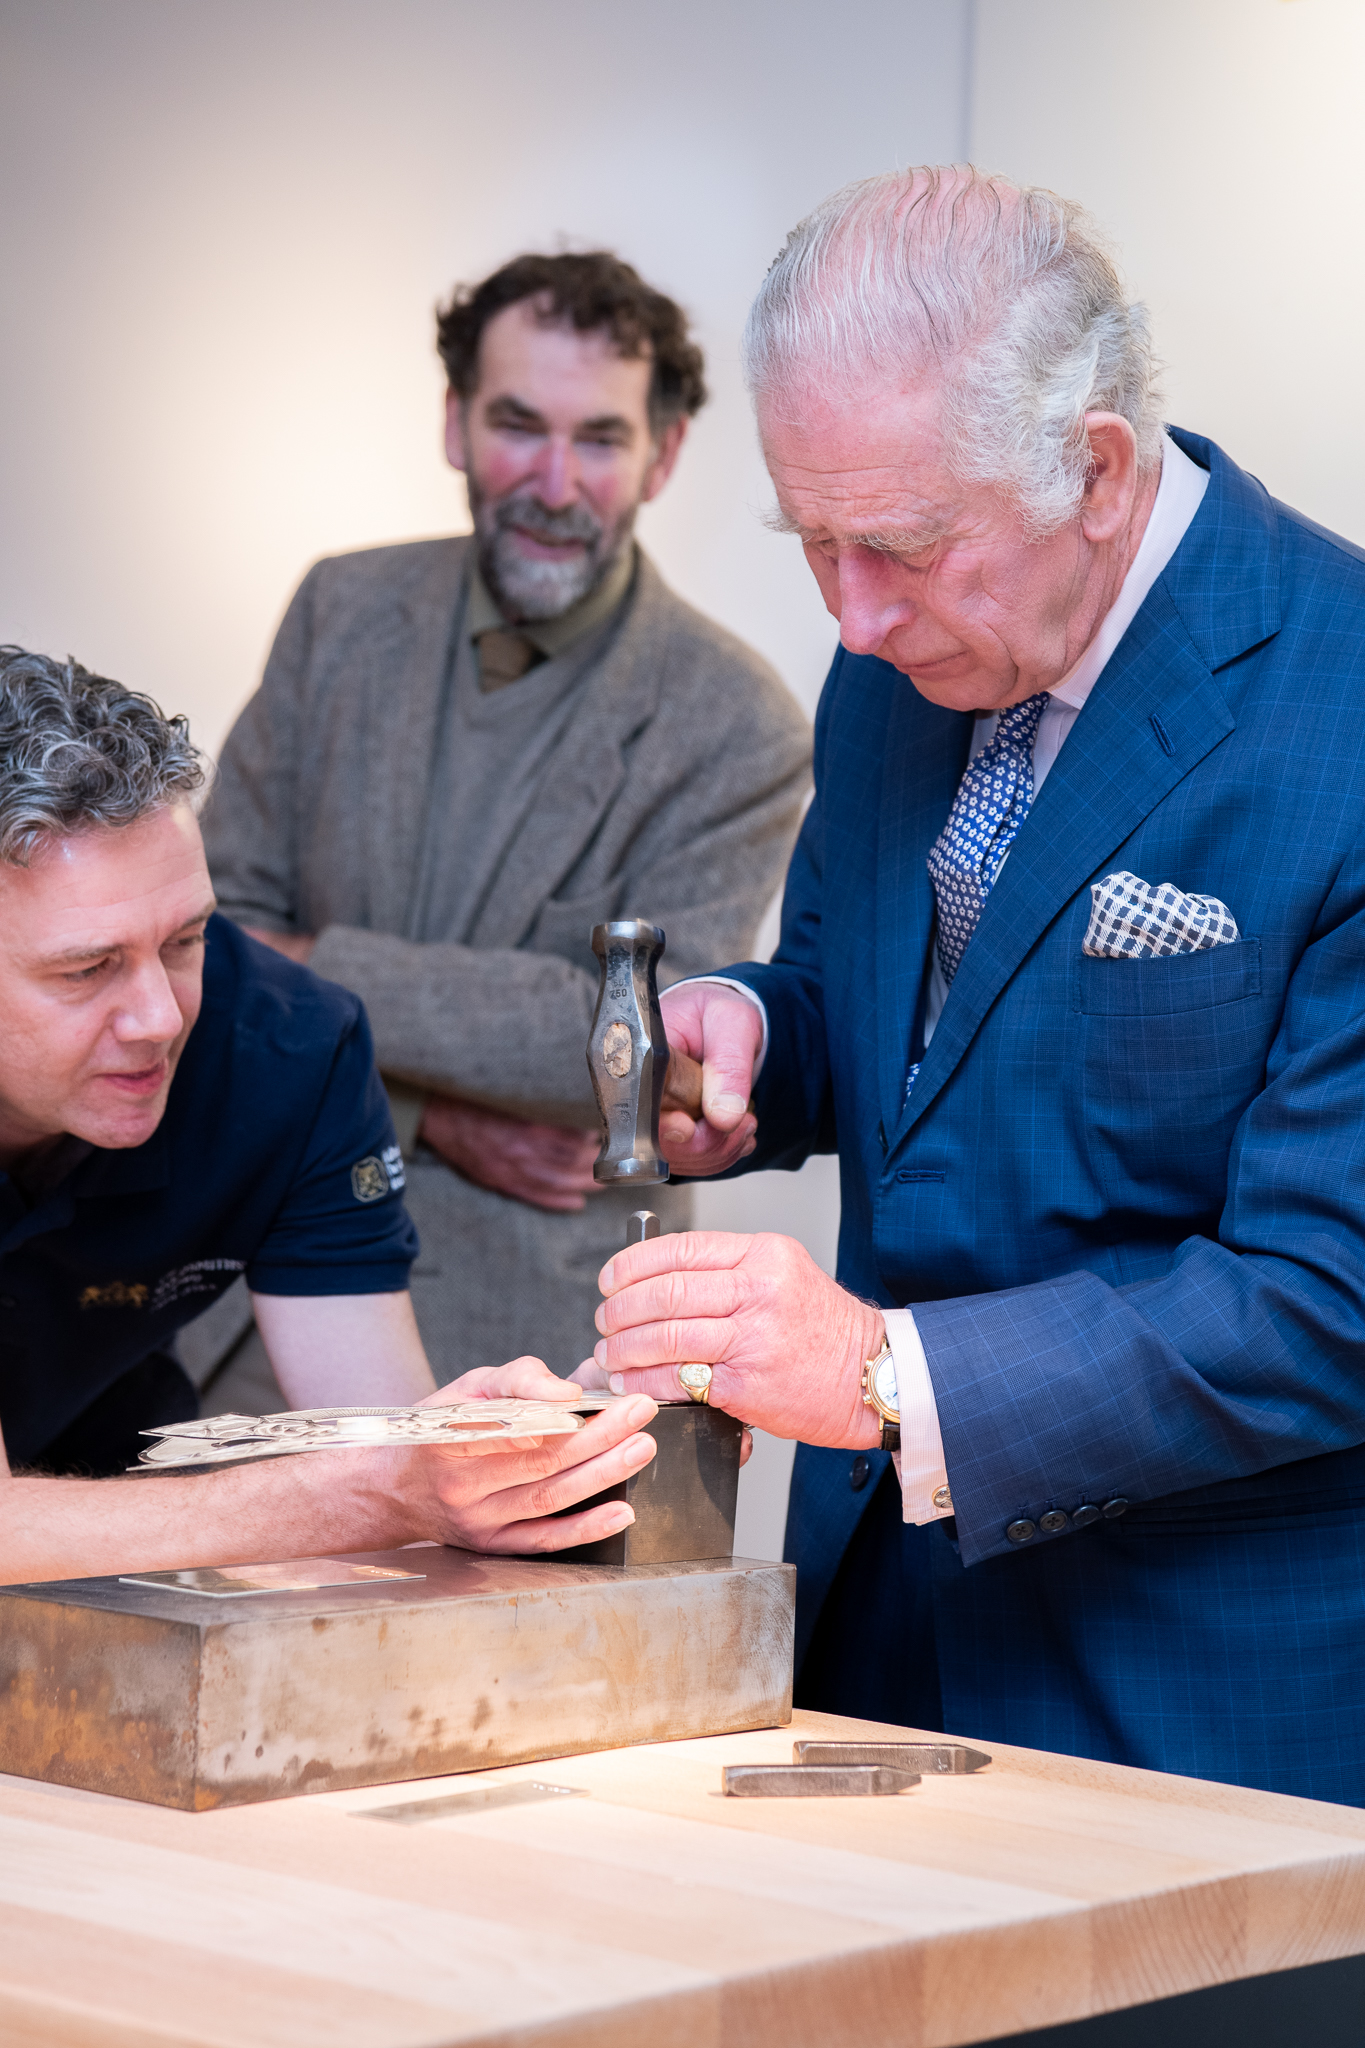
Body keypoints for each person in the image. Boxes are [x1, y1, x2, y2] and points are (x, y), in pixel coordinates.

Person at [585, 166, 1365, 1806]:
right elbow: (887, 1006)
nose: (849, 619)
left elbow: (1328, 1299)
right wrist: (755, 1035)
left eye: (902, 548)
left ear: (1093, 468)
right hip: (875, 1640)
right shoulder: (910, 651)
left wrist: (885, 1375)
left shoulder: (1339, 700)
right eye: (813, 545)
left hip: (1191, 1691)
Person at [201, 250, 810, 1402]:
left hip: (532, 1363)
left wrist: (312, 972)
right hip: (242, 1328)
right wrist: (434, 1114)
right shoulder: (339, 613)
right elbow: (207, 952)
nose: (553, 478)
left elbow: (631, 1051)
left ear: (663, 455)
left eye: (600, 438)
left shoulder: (738, 723)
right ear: (453, 422)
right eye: (518, 424)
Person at [0, 647, 660, 1585]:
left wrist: (537, 1449)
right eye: (84, 970)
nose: (159, 1019)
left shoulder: (289, 1048)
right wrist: (375, 1490)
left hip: (104, 1522)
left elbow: (386, 1455)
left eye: (185, 941)